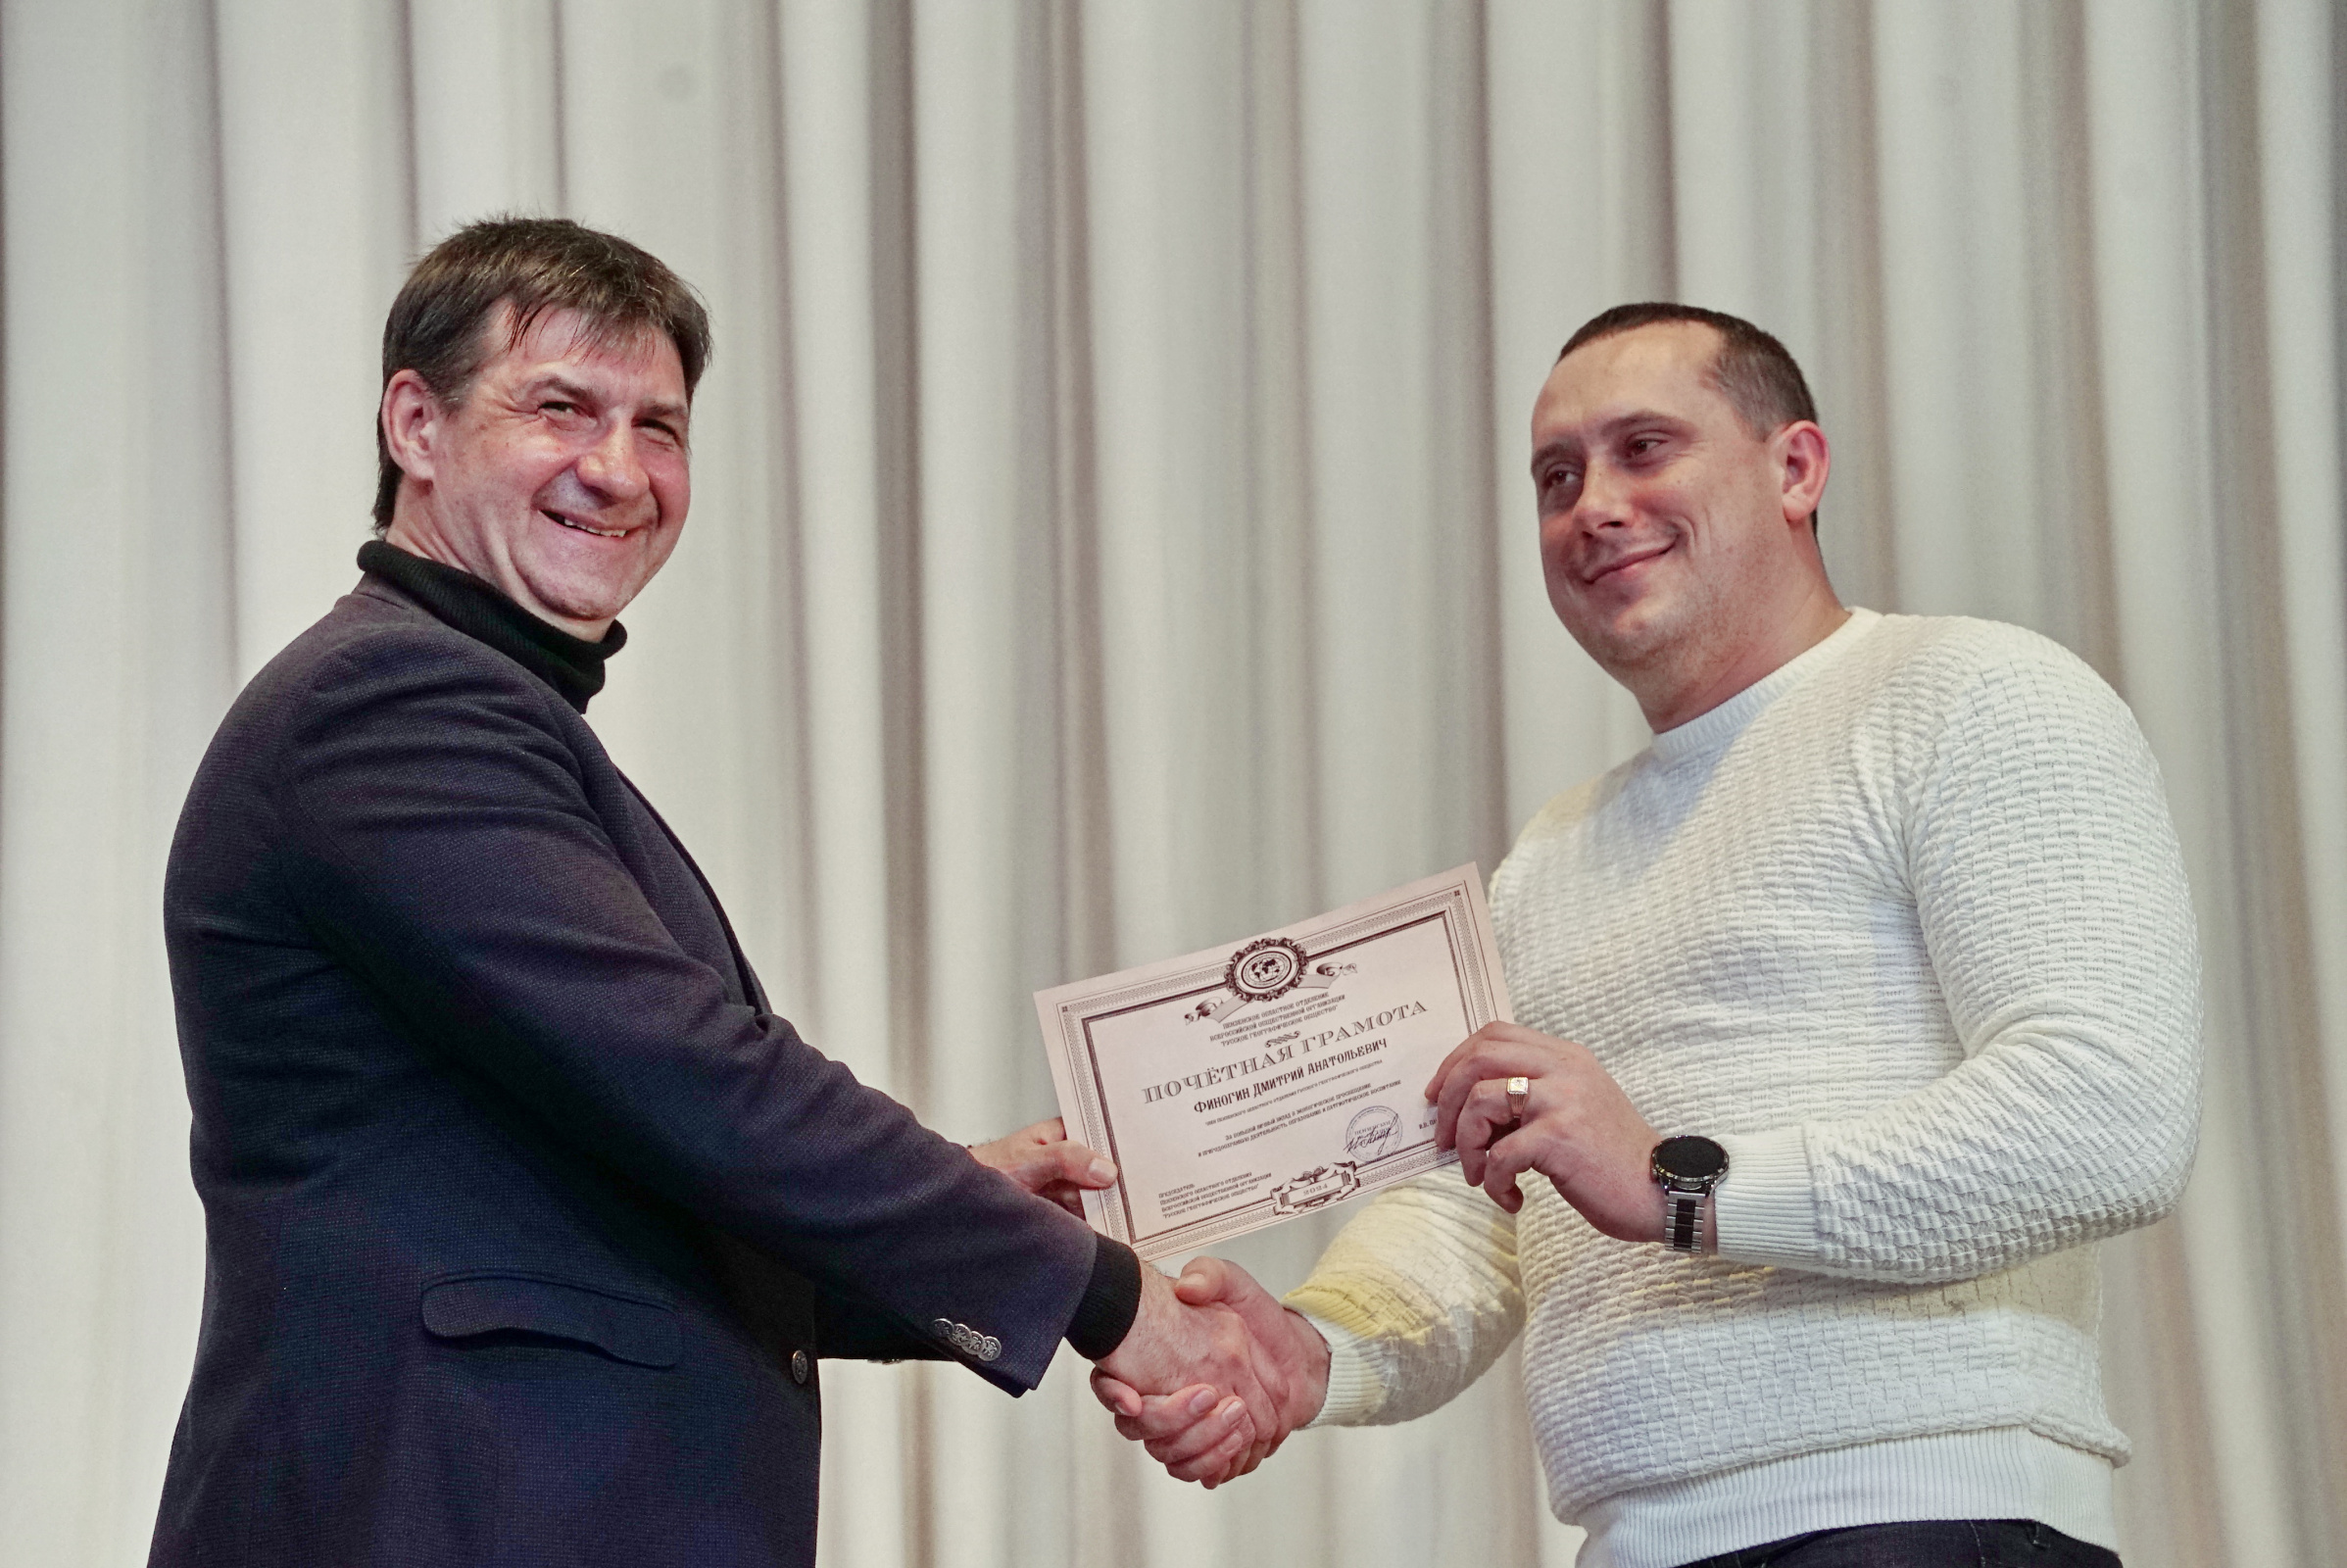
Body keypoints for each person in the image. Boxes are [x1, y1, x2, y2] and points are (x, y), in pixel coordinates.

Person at [149, 217, 1289, 1567]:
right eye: (561, 408)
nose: (617, 469)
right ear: (417, 424)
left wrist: (976, 1199)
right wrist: (1108, 1299)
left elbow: (634, 1185)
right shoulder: (389, 702)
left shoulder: (486, 713)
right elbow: (701, 1084)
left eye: (661, 428)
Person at [1099, 304, 2200, 1568]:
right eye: (1557, 478)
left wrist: (1683, 1187)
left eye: (1644, 449)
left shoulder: (1972, 693)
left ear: (1796, 468)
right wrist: (1313, 1351)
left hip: (1921, 1516)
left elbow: (2106, 1117)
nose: (1595, 507)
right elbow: (1490, 1206)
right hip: (1633, 1542)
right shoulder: (1555, 850)